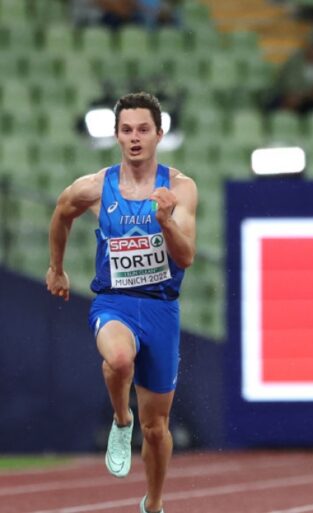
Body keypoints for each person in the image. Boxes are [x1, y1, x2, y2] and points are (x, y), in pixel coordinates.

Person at [46, 92, 197, 513]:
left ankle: (154, 500)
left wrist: (165, 222)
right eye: (127, 130)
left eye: (143, 130)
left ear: (159, 134)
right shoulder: (96, 186)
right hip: (114, 302)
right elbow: (61, 212)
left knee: (157, 429)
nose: (135, 138)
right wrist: (56, 268)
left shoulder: (180, 188)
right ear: (116, 135)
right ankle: (120, 419)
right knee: (119, 360)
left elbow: (185, 257)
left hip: (162, 309)